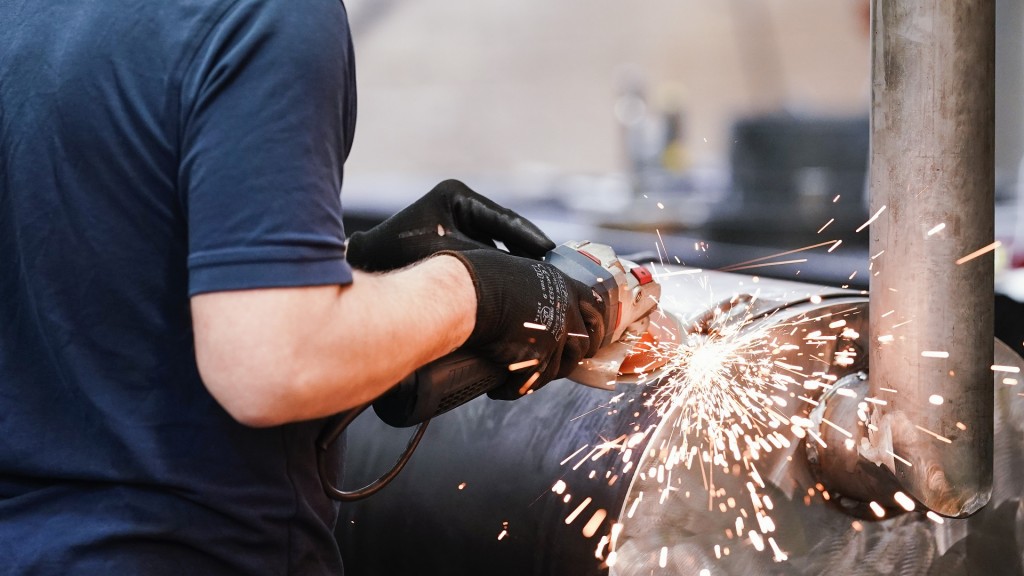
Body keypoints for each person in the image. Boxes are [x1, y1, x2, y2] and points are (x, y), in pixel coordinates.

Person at [0, 1, 605, 574]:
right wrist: (478, 292)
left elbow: (93, 280)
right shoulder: (270, 14)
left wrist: (341, 271)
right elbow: (273, 360)